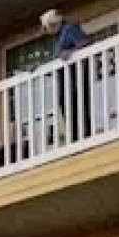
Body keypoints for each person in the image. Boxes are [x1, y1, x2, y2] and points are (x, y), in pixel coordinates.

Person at [42, 9, 96, 143]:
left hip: (74, 78)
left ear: (54, 24)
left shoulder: (69, 29)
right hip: (64, 80)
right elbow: (57, 57)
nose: (47, 31)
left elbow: (86, 42)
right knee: (67, 107)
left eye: (47, 27)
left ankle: (83, 137)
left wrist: (70, 51)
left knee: (77, 107)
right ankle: (75, 138)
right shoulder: (58, 37)